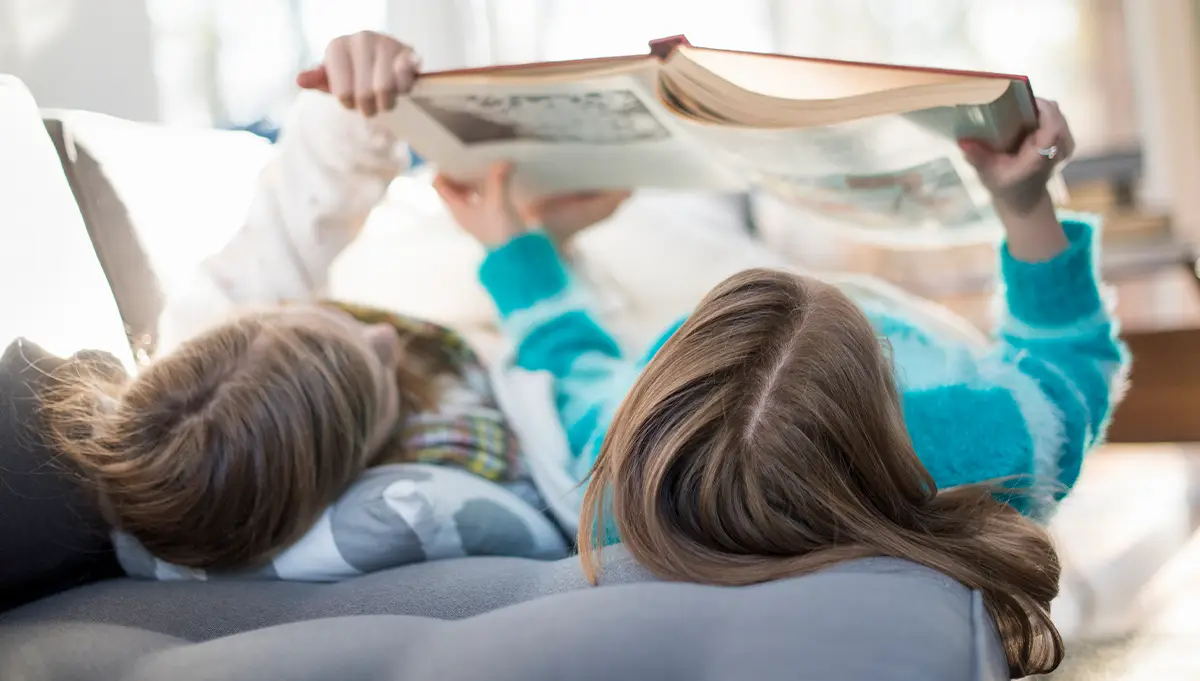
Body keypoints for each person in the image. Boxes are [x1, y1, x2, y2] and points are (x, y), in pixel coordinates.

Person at [438, 110, 1125, 677]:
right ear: (888, 373)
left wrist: (512, 240)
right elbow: (1067, 360)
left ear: (658, 385)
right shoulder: (978, 453)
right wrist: (1025, 199)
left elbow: (566, 360)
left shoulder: (626, 466)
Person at [40, 31, 625, 572]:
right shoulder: (466, 470)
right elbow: (579, 383)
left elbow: (297, 221)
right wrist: (527, 251)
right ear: (354, 457)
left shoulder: (212, 380)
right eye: (377, 370)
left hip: (492, 246)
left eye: (335, 319)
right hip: (560, 305)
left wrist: (357, 92)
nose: (386, 336)